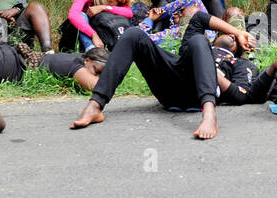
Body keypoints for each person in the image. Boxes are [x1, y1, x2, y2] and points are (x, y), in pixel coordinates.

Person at [70, 8, 254, 139]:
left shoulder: (241, 63)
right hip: (170, 83)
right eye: (229, 33)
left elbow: (240, 95)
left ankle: (209, 114)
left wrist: (213, 74)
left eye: (235, 39)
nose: (231, 37)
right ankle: (95, 105)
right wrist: (238, 32)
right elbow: (200, 17)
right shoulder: (199, 44)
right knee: (134, 34)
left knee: (198, 40)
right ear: (215, 37)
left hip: (197, 93)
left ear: (240, 51)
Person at [64, 0, 135, 51]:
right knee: (82, 16)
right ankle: (91, 50)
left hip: (97, 28)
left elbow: (129, 12)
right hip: (81, 30)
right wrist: (93, 35)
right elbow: (73, 15)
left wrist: (103, 8)